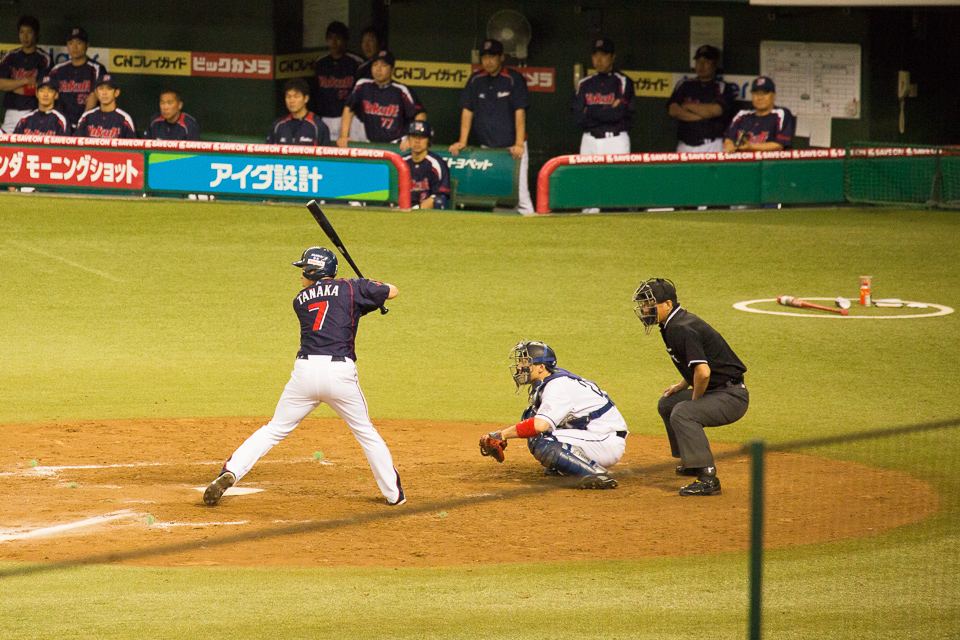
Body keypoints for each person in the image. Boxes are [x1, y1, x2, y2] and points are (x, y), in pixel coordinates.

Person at [204, 246, 404, 507]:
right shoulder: (352, 288)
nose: (301, 275)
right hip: (339, 373)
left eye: (303, 269)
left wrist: (363, 297)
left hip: (304, 374)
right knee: (366, 433)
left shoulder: (301, 299)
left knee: (274, 429)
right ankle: (393, 494)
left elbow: (338, 311)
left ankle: (231, 471)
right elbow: (391, 291)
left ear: (313, 270)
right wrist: (368, 289)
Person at [632, 278, 749, 496]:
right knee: (668, 403)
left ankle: (707, 477)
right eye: (644, 304)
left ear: (667, 304)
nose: (645, 309)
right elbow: (697, 364)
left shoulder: (681, 328)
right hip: (720, 390)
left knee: (684, 412)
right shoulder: (672, 324)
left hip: (732, 396)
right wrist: (681, 384)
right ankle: (692, 462)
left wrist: (696, 400)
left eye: (650, 304)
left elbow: (703, 372)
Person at [478, 341, 625, 490]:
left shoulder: (556, 387)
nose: (519, 367)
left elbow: (539, 426)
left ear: (541, 367)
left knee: (543, 439)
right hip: (593, 433)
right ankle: (566, 466)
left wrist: (502, 435)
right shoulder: (550, 380)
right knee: (531, 416)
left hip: (605, 440)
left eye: (525, 362)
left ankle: (595, 473)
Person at [449, 39, 533, 214]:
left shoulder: (513, 78)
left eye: (492, 56)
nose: (488, 61)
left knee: (521, 197)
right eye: (485, 57)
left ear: (501, 57)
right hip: (488, 150)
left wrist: (518, 144)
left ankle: (531, 232)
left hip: (513, 150)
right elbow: (467, 111)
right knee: (490, 195)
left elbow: (520, 112)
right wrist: (462, 141)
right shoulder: (475, 80)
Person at [339, 49, 425, 152]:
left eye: (383, 65)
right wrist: (344, 136)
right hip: (372, 144)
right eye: (375, 64)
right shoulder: (362, 86)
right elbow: (349, 108)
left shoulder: (400, 90)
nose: (378, 69)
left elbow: (420, 114)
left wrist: (413, 138)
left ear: (392, 70)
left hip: (397, 146)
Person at [668, 45, 737, 153]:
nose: (701, 65)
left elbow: (716, 111)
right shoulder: (684, 84)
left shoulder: (722, 87)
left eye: (706, 61)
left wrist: (686, 106)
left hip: (711, 145)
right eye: (698, 61)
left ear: (715, 64)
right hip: (684, 145)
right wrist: (703, 116)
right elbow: (673, 110)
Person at [573, 38, 635, 156]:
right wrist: (607, 110)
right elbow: (577, 118)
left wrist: (589, 110)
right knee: (587, 175)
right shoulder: (584, 83)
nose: (599, 60)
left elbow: (617, 114)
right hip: (588, 140)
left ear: (613, 57)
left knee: (616, 175)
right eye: (595, 55)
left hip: (615, 141)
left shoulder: (623, 82)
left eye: (604, 55)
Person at [313, 21, 364, 141]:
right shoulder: (321, 63)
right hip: (325, 117)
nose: (334, 42)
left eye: (338, 38)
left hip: (350, 119)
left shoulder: (356, 62)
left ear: (345, 40)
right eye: (330, 38)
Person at [49, 27, 105, 131]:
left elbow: (94, 96)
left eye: (79, 43)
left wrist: (82, 122)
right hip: (61, 124)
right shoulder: (57, 70)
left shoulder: (96, 68)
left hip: (88, 123)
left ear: (87, 45)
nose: (74, 47)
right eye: (71, 43)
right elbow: (48, 96)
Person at [0, 16, 50, 133]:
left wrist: (12, 86)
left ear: (36, 34)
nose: (25, 36)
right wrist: (25, 81)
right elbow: (1, 84)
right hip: (11, 111)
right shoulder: (11, 56)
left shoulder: (44, 58)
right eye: (22, 32)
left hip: (32, 110)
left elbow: (40, 89)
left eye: (29, 32)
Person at [724, 76, 795, 152]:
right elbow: (729, 137)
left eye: (764, 93)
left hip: (771, 162)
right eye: (756, 94)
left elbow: (779, 145)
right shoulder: (742, 115)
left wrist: (751, 147)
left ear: (774, 96)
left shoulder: (781, 114)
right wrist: (729, 144)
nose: (760, 98)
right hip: (745, 162)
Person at [402, 120, 451, 209]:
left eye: (421, 137)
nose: (417, 141)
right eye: (413, 136)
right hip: (402, 208)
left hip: (424, 211)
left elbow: (440, 196)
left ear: (428, 140)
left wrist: (417, 209)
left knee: (438, 201)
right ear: (408, 139)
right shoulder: (401, 163)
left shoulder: (436, 164)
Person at [267, 78, 330, 146]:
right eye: (288, 96)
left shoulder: (318, 126)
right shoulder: (278, 125)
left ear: (306, 99)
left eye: (296, 96)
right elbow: (267, 152)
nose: (291, 101)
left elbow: (325, 155)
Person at [74, 74, 136, 139]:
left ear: (116, 93)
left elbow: (132, 147)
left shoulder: (125, 119)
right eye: (101, 89)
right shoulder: (87, 117)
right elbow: (76, 144)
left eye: (109, 89)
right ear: (96, 92)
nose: (104, 93)